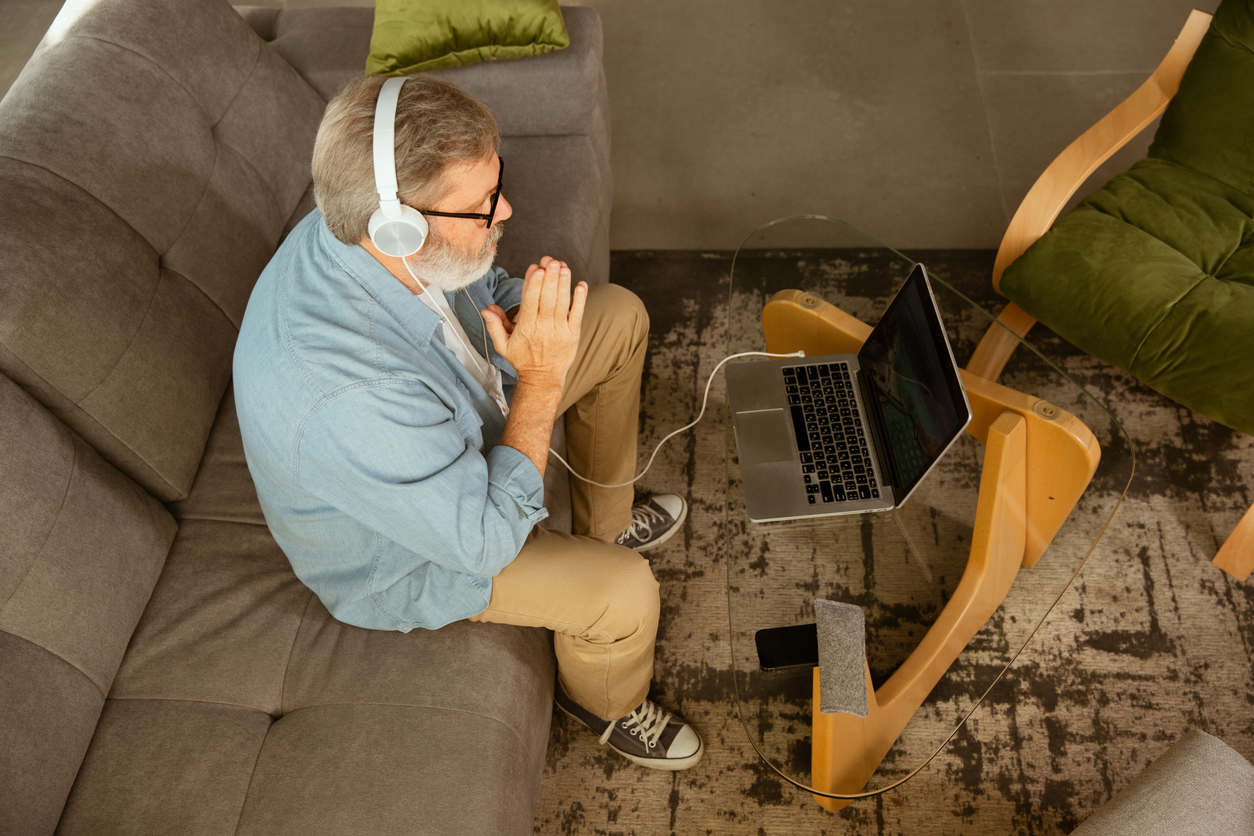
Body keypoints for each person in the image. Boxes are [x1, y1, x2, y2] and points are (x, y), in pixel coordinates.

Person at [233, 74, 702, 770]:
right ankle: (604, 703)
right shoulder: (346, 393)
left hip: (448, 422)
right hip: (416, 549)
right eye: (484, 205)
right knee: (626, 593)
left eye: (495, 185)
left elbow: (474, 287)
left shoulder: (372, 228)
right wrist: (540, 376)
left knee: (620, 318)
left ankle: (606, 525)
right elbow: (480, 543)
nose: (506, 208)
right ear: (398, 225)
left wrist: (529, 314)